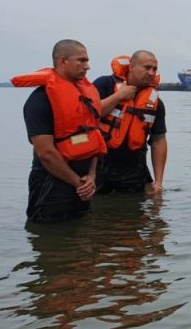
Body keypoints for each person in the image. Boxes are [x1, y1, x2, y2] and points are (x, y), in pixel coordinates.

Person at [13, 39, 106, 223]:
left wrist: (91, 176)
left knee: (82, 236)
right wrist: (76, 182)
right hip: (51, 185)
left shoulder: (86, 97)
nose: (87, 66)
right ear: (63, 61)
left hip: (84, 182)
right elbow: (45, 153)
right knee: (51, 238)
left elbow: (93, 137)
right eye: (81, 60)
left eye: (87, 61)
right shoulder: (39, 101)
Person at [93, 51, 168, 194]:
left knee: (135, 214)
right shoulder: (105, 84)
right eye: (147, 67)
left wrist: (158, 182)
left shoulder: (156, 103)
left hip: (134, 170)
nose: (151, 72)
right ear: (132, 66)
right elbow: (89, 114)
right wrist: (118, 96)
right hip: (100, 166)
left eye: (154, 69)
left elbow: (159, 140)